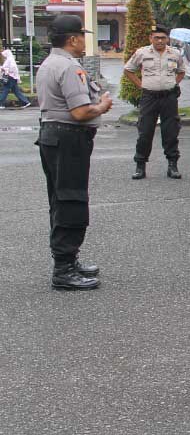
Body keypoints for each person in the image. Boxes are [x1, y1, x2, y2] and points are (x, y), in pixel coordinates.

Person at [35, 15, 113, 290]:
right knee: (71, 200)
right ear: (72, 39)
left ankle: (68, 259)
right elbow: (80, 112)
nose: (84, 41)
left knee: (60, 199)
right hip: (68, 138)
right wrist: (102, 106)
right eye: (82, 36)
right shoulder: (69, 67)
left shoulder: (49, 63)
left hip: (53, 136)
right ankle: (64, 269)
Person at [124, 24, 190, 180]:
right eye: (156, 38)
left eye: (163, 38)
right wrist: (141, 85)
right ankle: (140, 166)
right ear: (151, 38)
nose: (160, 41)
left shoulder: (175, 54)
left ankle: (172, 166)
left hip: (168, 98)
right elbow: (128, 70)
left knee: (171, 132)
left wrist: (174, 84)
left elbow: (181, 71)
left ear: (167, 39)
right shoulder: (142, 53)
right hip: (149, 98)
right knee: (145, 132)